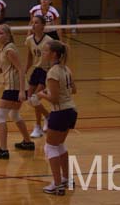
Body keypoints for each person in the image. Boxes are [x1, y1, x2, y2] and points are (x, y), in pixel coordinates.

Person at [35, 40, 77, 195]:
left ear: (53, 54)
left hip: (60, 112)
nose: (43, 53)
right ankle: (66, 179)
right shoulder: (66, 69)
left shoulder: (52, 72)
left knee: (50, 147)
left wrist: (41, 94)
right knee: (59, 145)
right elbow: (74, 90)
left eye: (45, 51)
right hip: (71, 110)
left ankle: (57, 184)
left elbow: (54, 99)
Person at [0, 24, 34, 159]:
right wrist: (1, 68)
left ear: (8, 35)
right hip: (13, 85)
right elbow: (10, 65)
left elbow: (20, 69)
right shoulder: (4, 48)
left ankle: (3, 150)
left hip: (14, 87)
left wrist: (21, 91)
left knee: (0, 115)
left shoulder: (9, 50)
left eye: (0, 33)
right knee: (14, 114)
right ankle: (27, 142)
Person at [25, 16, 53, 138]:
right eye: (33, 22)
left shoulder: (49, 40)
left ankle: (39, 125)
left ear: (43, 25)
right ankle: (46, 118)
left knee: (35, 99)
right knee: (30, 99)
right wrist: (25, 70)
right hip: (36, 70)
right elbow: (30, 57)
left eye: (36, 23)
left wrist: (52, 73)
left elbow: (54, 57)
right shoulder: (29, 40)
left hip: (46, 71)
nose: (34, 24)